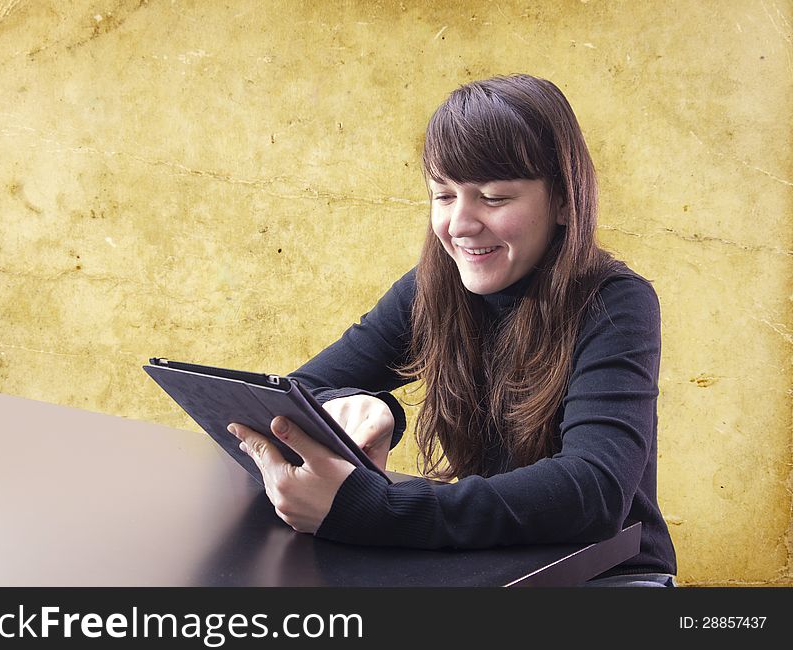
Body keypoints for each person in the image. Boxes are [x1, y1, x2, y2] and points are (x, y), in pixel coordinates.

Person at [226, 74, 677, 586]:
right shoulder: (432, 287)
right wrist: (377, 408)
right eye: (443, 195)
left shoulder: (615, 303)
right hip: (486, 568)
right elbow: (289, 399)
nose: (460, 224)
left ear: (563, 201)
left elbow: (593, 490)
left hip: (610, 580)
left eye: (493, 197)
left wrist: (380, 510)